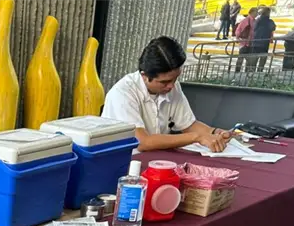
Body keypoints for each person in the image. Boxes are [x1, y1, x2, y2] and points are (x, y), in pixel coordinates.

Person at [102, 37, 231, 152]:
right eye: (165, 82)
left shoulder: (171, 87)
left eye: (175, 79)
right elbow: (142, 142)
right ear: (145, 75)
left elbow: (189, 125)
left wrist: (213, 133)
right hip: (126, 162)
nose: (171, 86)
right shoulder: (123, 94)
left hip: (157, 158)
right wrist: (197, 137)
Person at [252, 6, 277, 71]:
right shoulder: (270, 21)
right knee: (263, 59)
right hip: (265, 43)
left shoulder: (258, 20)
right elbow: (273, 28)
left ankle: (252, 71)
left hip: (256, 41)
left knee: (254, 58)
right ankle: (260, 71)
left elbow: (254, 28)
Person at [235, 6, 259, 72]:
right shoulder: (246, 20)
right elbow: (239, 29)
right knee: (241, 58)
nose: (257, 14)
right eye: (256, 12)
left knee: (249, 59)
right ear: (252, 12)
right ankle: (237, 71)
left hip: (251, 43)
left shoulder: (255, 21)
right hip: (244, 43)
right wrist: (237, 38)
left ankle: (246, 72)